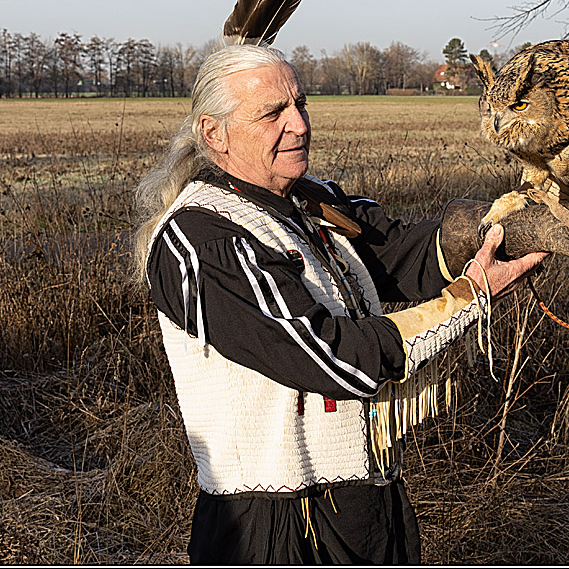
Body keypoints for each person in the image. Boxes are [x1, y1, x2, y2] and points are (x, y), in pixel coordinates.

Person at [133, 44, 546, 564]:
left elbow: (403, 254)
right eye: (272, 113)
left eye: (300, 103)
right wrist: (467, 297)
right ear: (215, 134)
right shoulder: (201, 238)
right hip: (272, 525)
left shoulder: (311, 202)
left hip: (367, 499)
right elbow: (328, 355)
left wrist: (519, 221)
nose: (300, 124)